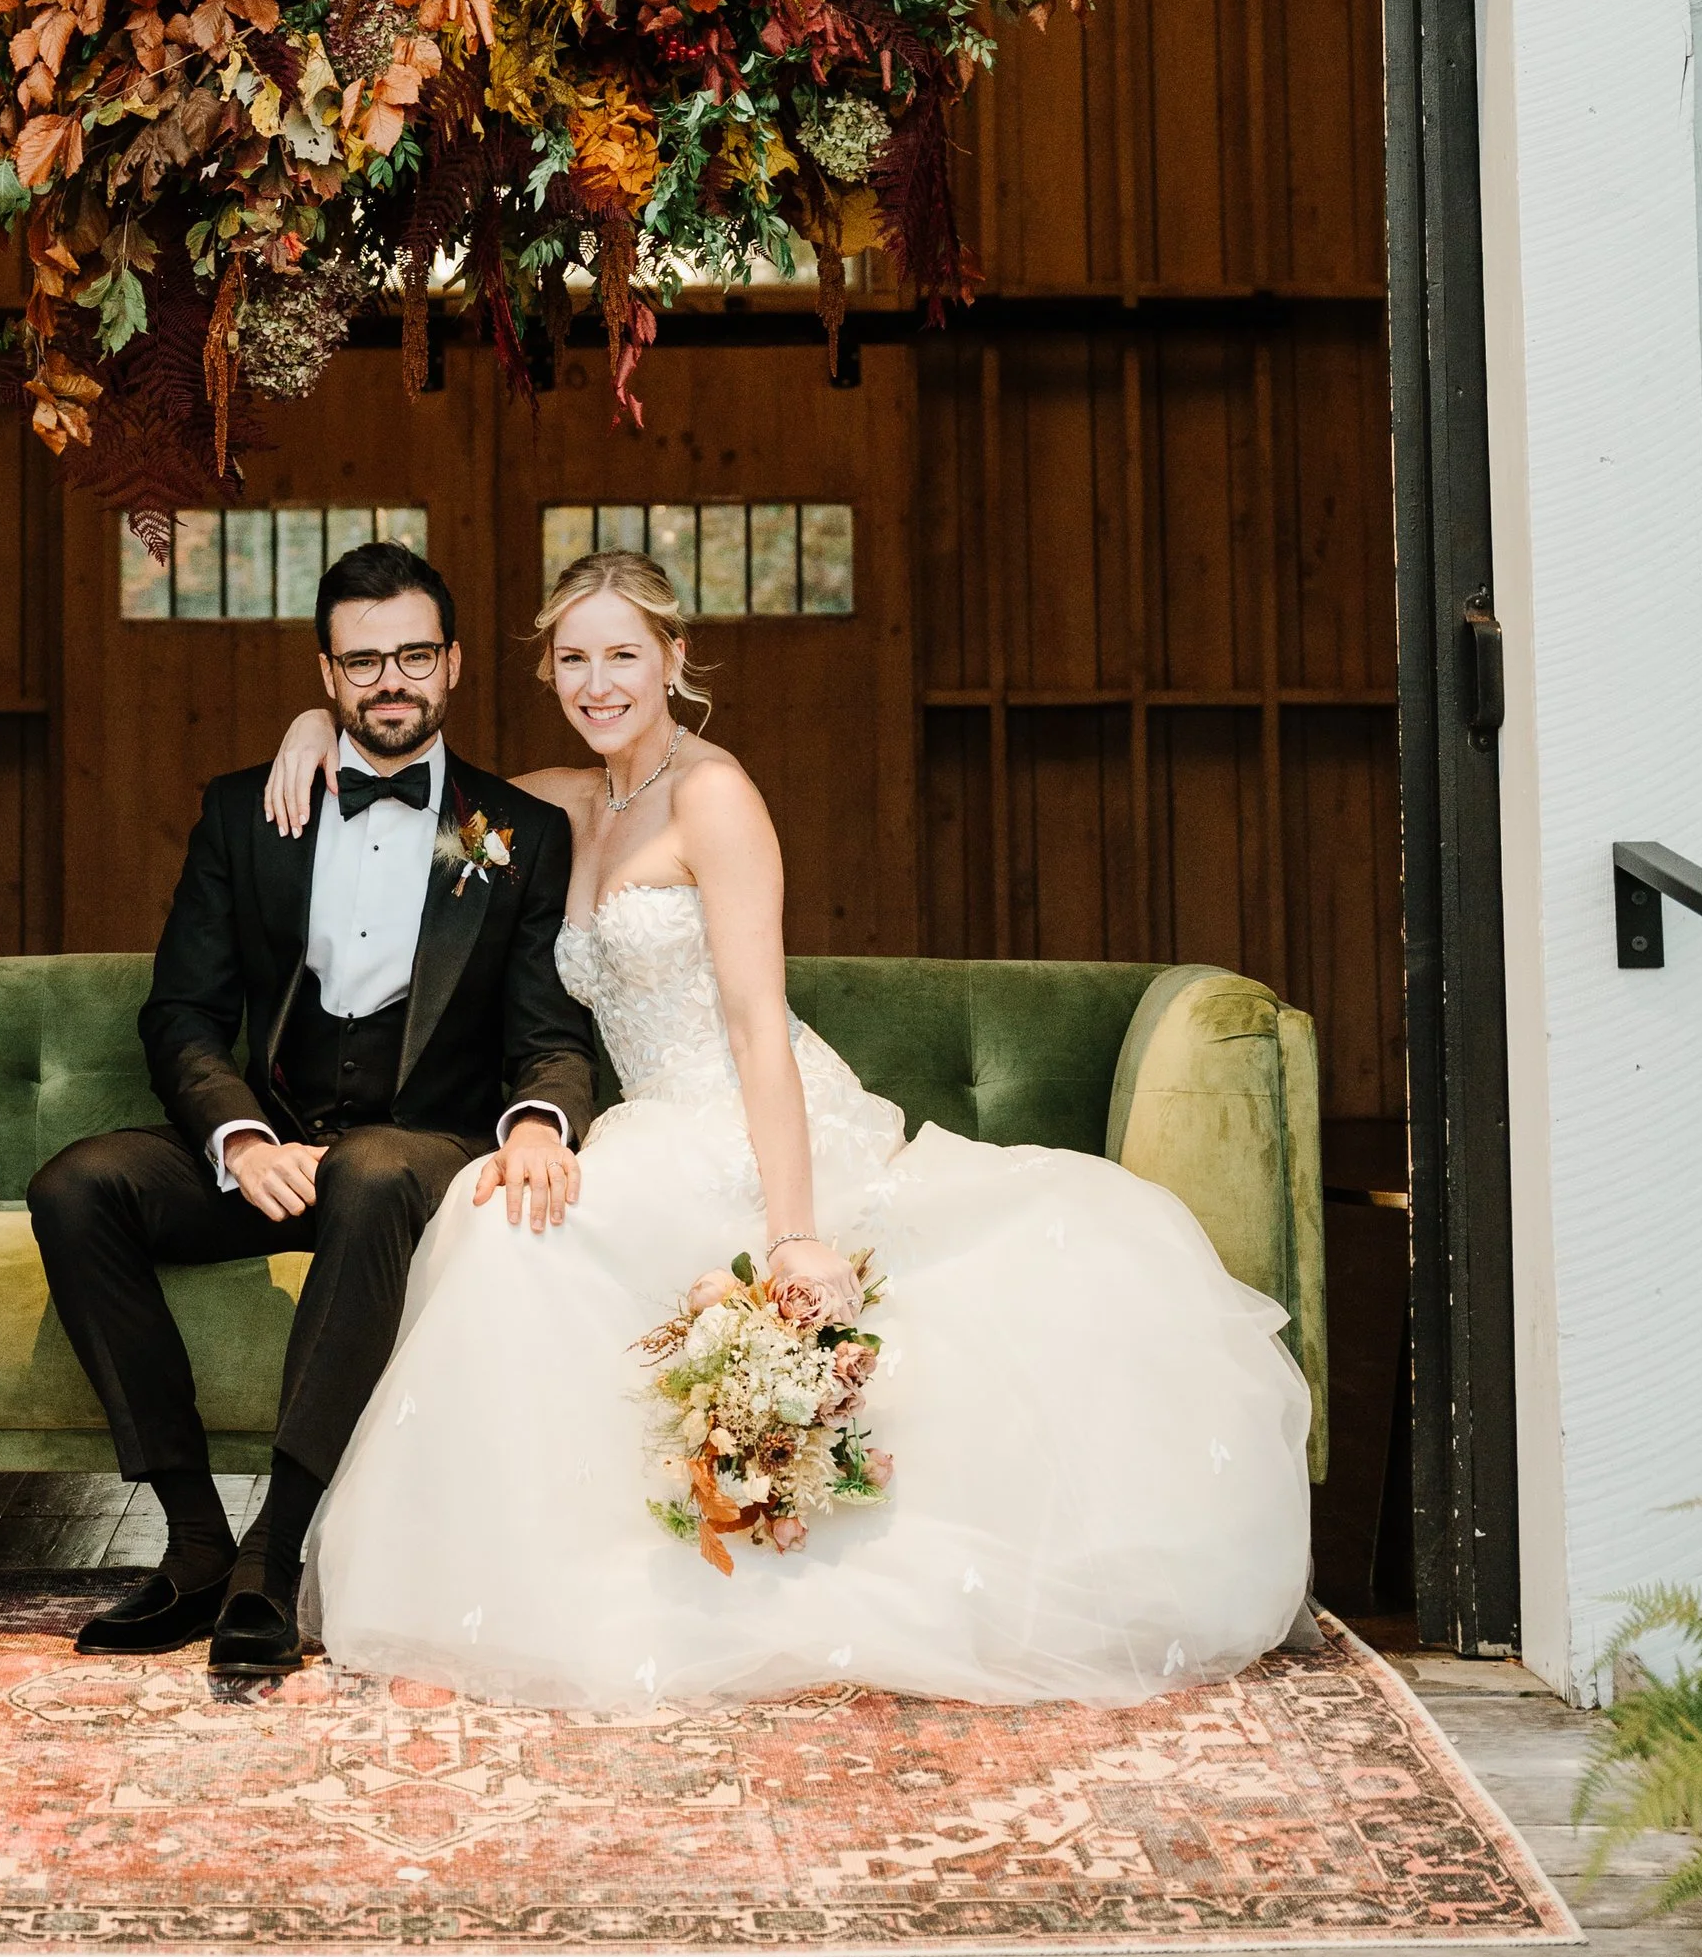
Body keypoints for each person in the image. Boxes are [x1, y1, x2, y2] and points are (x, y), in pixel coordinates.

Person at [260, 546, 1314, 1710]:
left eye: (623, 653)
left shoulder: (716, 796)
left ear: (673, 657)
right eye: (571, 657)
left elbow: (758, 1023)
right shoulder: (551, 805)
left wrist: (795, 1230)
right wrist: (321, 724)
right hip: (643, 1123)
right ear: (543, 669)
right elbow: (430, 814)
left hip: (750, 1117)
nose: (596, 680)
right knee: (503, 1220)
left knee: (508, 1235)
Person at [27, 537, 599, 1677]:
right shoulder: (248, 812)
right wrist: (237, 1135)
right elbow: (181, 1009)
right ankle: (194, 1543)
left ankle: (274, 1556)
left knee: (375, 1166)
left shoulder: (516, 831)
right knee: (78, 1184)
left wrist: (540, 1114)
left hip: (414, 1153)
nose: (392, 681)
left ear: (454, 663)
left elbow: (550, 1029)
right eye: (364, 662)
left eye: (414, 656)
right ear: (328, 676)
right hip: (278, 1142)